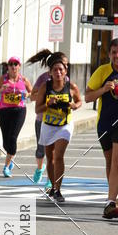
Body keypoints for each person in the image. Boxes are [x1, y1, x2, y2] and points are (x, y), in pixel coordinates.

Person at [85, 38, 118, 219]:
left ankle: (110, 202)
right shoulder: (102, 71)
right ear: (110, 54)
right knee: (109, 162)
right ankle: (115, 195)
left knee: (117, 162)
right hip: (105, 123)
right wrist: (103, 90)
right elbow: (88, 97)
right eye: (114, 52)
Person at [34, 52, 82, 203]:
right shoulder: (45, 87)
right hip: (48, 125)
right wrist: (48, 104)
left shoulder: (71, 87)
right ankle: (53, 187)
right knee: (50, 159)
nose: (58, 72)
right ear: (50, 73)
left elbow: (80, 101)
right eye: (55, 70)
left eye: (61, 69)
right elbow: (37, 109)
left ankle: (58, 190)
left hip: (64, 125)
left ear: (65, 71)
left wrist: (74, 105)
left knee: (59, 156)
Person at [0, 56, 32, 177]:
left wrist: (26, 94)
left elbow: (33, 93)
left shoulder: (24, 80)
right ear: (8, 67)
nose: (13, 66)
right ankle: (11, 156)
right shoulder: (3, 79)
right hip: (4, 111)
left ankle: (6, 167)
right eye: (11, 64)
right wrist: (1, 89)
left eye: (16, 64)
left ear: (19, 66)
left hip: (19, 110)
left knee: (12, 138)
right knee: (6, 142)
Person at [27, 49, 52, 184]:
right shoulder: (43, 78)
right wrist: (45, 97)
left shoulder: (64, 79)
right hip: (42, 119)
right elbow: (32, 97)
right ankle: (39, 168)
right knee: (41, 149)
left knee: (52, 152)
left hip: (58, 120)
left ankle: (50, 178)